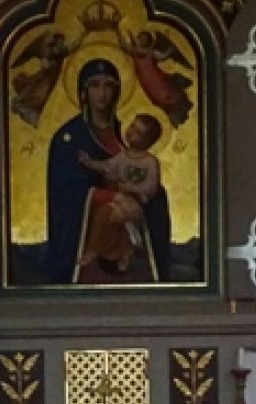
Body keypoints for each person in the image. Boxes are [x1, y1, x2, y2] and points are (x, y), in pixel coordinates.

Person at [33, 57, 176, 285]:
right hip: (87, 240)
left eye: (109, 86)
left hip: (131, 230)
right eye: (95, 85)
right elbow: (66, 191)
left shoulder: (126, 134)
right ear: (83, 92)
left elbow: (148, 181)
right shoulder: (69, 138)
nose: (102, 93)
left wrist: (145, 196)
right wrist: (115, 196)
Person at [73, 113, 166, 281]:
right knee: (111, 220)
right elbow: (107, 167)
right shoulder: (123, 156)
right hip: (121, 200)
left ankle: (96, 249)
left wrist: (129, 187)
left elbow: (151, 187)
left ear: (147, 141)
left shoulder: (150, 162)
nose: (131, 132)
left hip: (138, 204)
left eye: (138, 132)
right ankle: (123, 251)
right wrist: (89, 162)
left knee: (106, 215)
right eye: (132, 126)